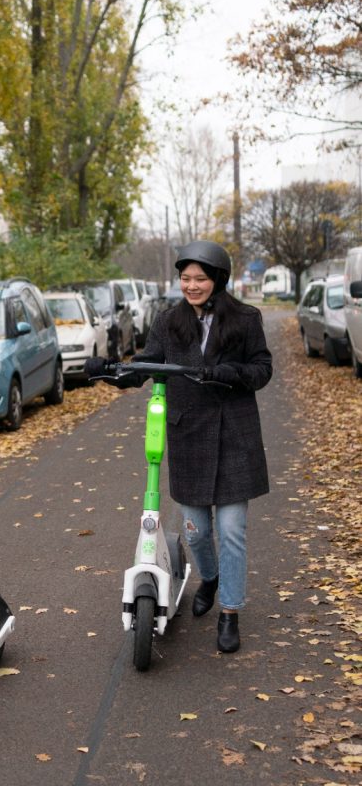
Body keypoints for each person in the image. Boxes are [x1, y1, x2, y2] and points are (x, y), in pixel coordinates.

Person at [123, 240, 272, 653]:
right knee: (197, 532)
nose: (191, 286)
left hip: (234, 436)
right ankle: (209, 577)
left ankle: (230, 612)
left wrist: (230, 373)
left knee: (231, 532)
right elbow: (151, 361)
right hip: (188, 436)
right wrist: (121, 371)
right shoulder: (169, 321)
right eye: (186, 278)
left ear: (217, 280)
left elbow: (262, 368)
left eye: (200, 278)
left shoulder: (245, 319)